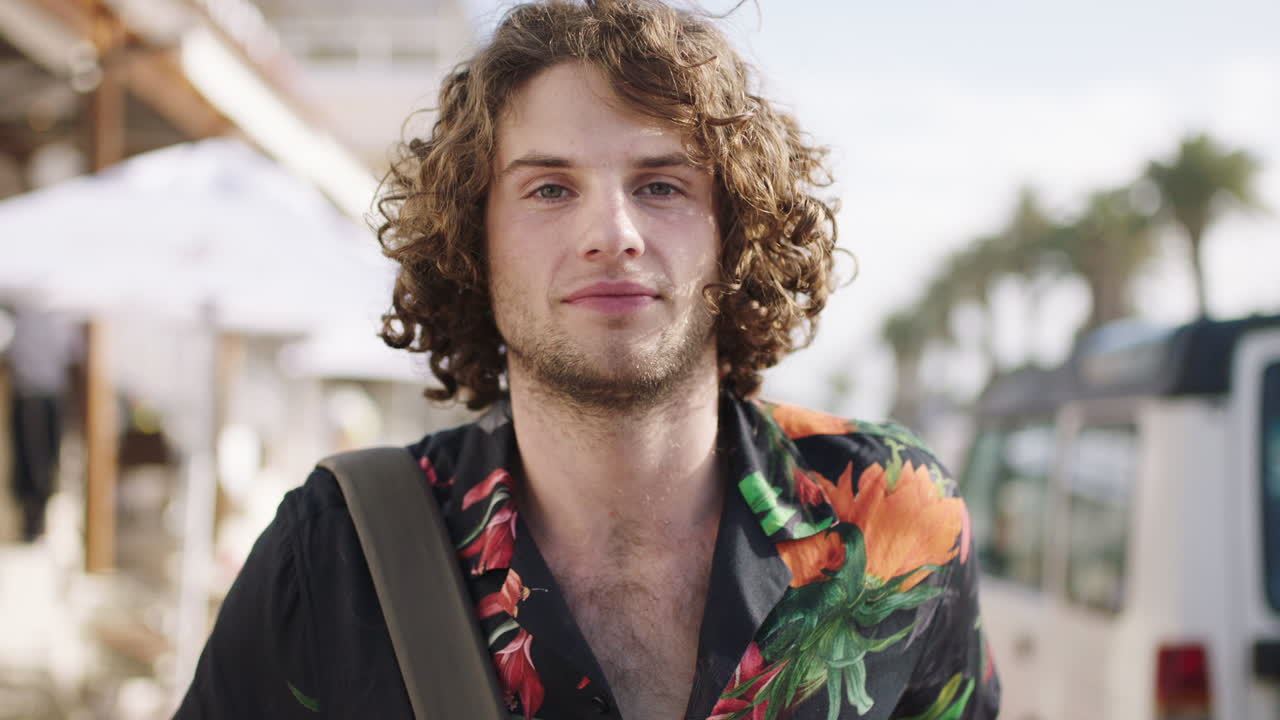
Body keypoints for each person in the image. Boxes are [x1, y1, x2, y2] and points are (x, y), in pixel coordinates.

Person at [177, 1, 1000, 718]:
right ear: (476, 240)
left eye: (662, 185)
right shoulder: (332, 557)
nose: (612, 232)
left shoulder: (899, 522)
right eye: (549, 189)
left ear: (734, 234)